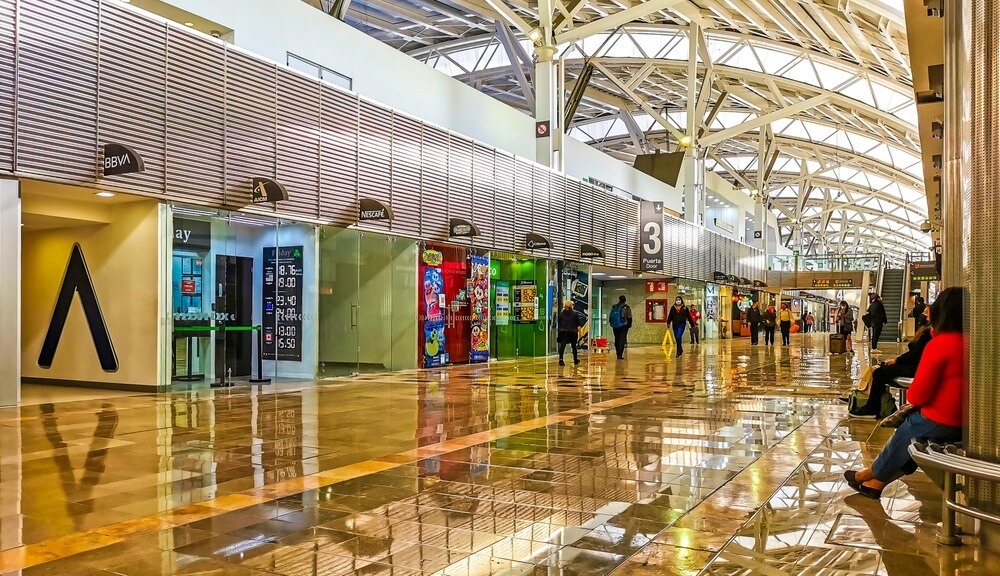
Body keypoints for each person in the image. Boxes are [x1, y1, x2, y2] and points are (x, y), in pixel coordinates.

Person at [844, 287, 965, 499]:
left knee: (909, 429)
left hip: (944, 419)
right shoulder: (975, 342)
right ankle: (874, 483)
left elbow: (916, 396)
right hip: (967, 420)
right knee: (913, 437)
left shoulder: (941, 344)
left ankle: (870, 474)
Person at [849, 305, 933, 418]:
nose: (923, 314)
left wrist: (897, 360)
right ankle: (877, 403)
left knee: (879, 373)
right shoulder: (925, 330)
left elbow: (915, 355)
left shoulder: (928, 333)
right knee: (880, 368)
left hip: (915, 367)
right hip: (915, 364)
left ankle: (872, 407)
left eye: (926, 312)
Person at [556, 300, 586, 366]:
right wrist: (580, 334)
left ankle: (561, 360)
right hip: (573, 332)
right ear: (571, 306)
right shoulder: (575, 314)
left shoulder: (561, 313)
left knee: (562, 346)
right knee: (573, 346)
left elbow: (559, 323)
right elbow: (578, 325)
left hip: (563, 331)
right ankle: (575, 360)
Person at [608, 295, 633, 360]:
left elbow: (610, 316)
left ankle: (617, 353)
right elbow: (629, 317)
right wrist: (629, 324)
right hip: (624, 325)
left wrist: (611, 322)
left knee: (617, 338)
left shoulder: (614, 306)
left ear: (619, 299)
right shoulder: (626, 307)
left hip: (615, 325)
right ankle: (620, 355)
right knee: (622, 339)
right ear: (625, 300)